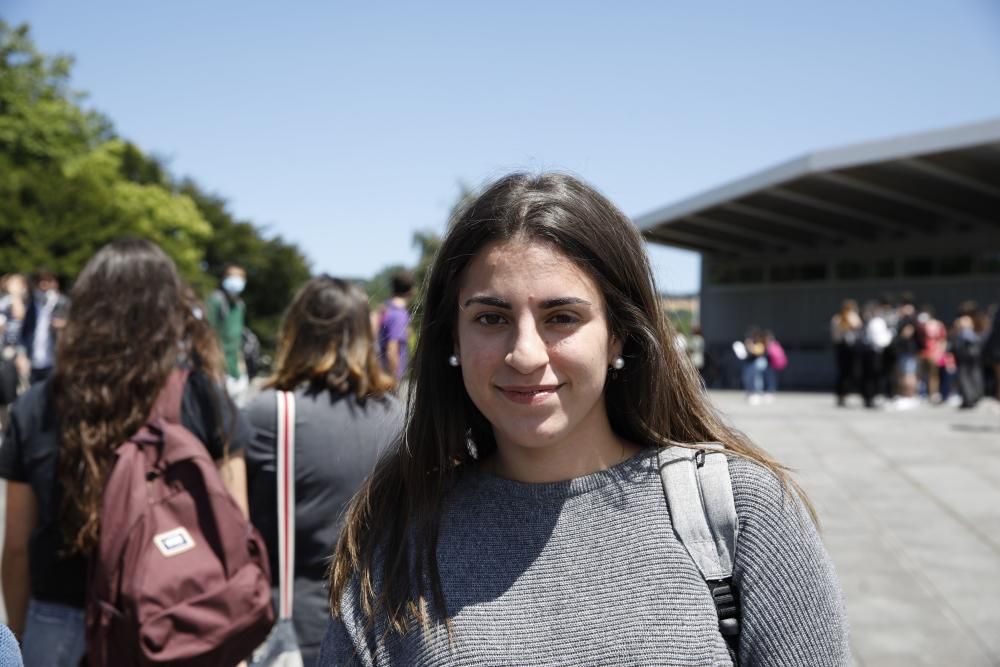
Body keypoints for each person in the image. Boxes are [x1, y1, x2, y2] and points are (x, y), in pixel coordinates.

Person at [319, 173, 849, 665]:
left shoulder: (740, 514)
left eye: (562, 317)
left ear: (618, 333)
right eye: (490, 318)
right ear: (452, 338)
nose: (525, 353)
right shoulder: (396, 535)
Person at [0, 240, 252, 666]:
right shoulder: (203, 398)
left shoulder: (38, 407)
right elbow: (236, 526)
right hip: (177, 622)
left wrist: (24, 636)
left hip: (60, 625)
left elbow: (17, 549)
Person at [244, 276, 402, 665]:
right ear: (367, 336)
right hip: (381, 625)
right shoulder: (398, 418)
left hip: (288, 625)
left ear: (295, 332)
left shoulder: (269, 415)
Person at [207, 263, 250, 404]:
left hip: (236, 370)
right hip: (218, 369)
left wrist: (241, 365)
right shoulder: (215, 301)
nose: (235, 280)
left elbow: (238, 340)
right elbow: (207, 335)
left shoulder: (239, 305)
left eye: (240, 277)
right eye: (232, 276)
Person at [19, 269, 69, 385]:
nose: (44, 285)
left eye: (47, 281)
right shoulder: (33, 304)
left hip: (54, 359)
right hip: (34, 360)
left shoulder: (63, 302)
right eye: (41, 282)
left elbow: (77, 325)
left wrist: (65, 324)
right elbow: (24, 331)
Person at [376, 270, 414, 384]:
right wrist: (393, 380)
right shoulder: (399, 314)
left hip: (380, 374)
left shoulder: (385, 308)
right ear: (412, 290)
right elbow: (392, 349)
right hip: (390, 378)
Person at [831, 299, 862, 407]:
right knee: (848, 372)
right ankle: (844, 394)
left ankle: (842, 395)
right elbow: (858, 328)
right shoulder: (849, 317)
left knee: (842, 372)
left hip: (840, 347)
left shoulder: (836, 318)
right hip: (848, 347)